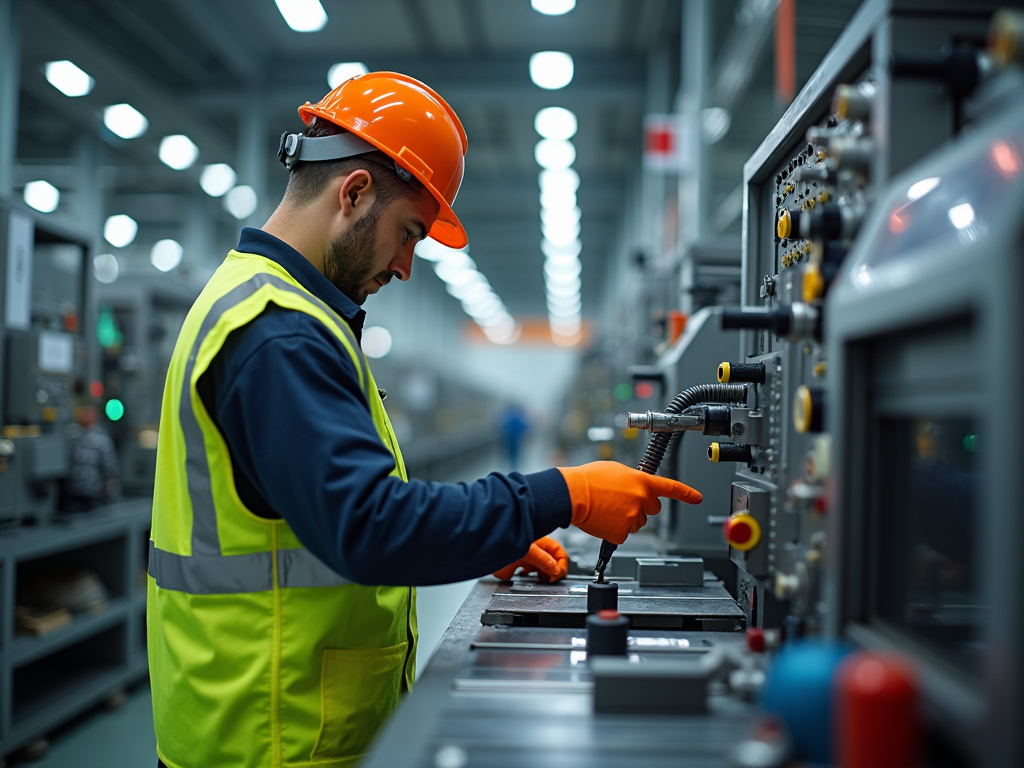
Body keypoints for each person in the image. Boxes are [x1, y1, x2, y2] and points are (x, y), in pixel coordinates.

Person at [147, 72, 701, 768]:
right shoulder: (278, 333)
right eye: (408, 233)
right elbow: (370, 525)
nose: (407, 266)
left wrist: (483, 536)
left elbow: (319, 521)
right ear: (352, 195)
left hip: (264, 721)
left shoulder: (270, 310)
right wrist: (564, 495)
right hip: (271, 737)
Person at [62, 405, 118, 512]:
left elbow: (110, 466)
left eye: (89, 414)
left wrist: (109, 489)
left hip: (93, 491)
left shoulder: (102, 439)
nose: (86, 417)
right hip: (74, 490)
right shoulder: (73, 435)